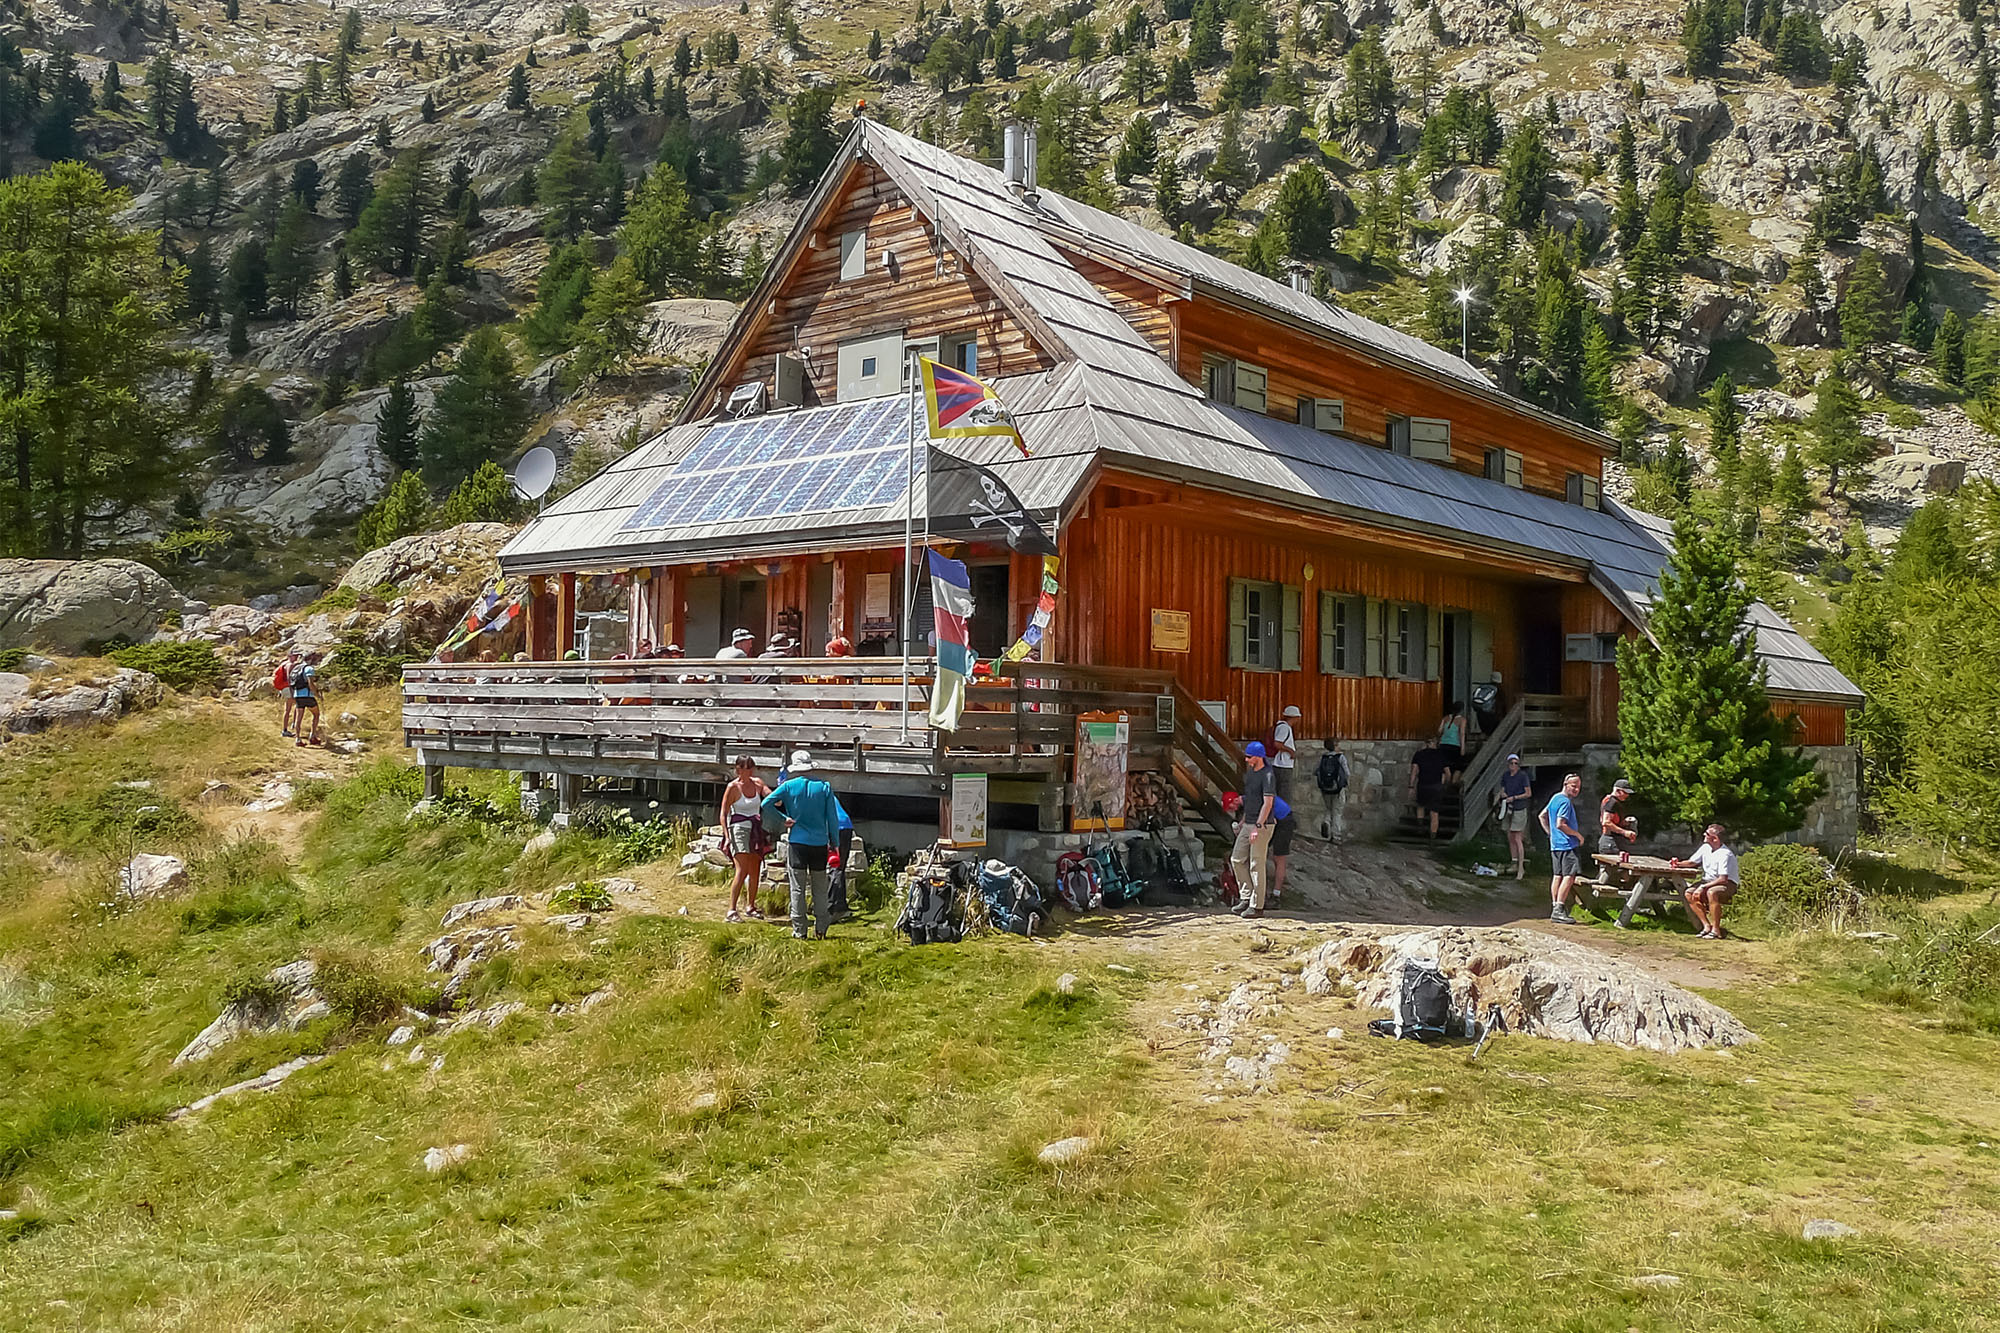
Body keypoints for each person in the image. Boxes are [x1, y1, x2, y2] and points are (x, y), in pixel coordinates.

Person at [761, 749, 841, 940]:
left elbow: (766, 804)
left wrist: (783, 819)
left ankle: (800, 930)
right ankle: (821, 928)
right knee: (820, 887)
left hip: (797, 842)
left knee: (797, 887)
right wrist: (835, 842)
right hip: (819, 843)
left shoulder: (788, 786)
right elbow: (832, 817)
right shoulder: (824, 787)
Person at [1228, 742, 1278, 918]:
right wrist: (1243, 822)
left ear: (1258, 757)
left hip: (1262, 825)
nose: (1247, 760)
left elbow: (1268, 803)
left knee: (1256, 864)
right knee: (1237, 859)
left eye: (1249, 757)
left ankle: (1257, 906)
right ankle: (1246, 897)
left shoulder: (1268, 775)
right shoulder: (1250, 774)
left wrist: (1258, 826)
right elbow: (1251, 800)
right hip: (1248, 822)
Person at [719, 756, 770, 923]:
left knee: (755, 867)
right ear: (738, 769)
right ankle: (731, 910)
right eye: (745, 768)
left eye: (751, 768)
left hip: (755, 827)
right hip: (739, 828)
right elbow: (724, 813)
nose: (748, 772)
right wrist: (726, 836)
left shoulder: (757, 783)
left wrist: (778, 790)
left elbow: (771, 798)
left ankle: (750, 906)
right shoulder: (733, 787)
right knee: (741, 869)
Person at [1672, 824, 1740, 940]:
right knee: (1689, 893)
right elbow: (1692, 862)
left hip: (1727, 883)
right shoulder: (1705, 848)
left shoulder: (1724, 854)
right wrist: (1678, 864)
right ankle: (1706, 926)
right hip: (1708, 881)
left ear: (1715, 839)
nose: (1704, 835)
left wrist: (1703, 887)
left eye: (1707, 834)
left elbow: (1723, 878)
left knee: (1711, 893)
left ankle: (1716, 930)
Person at [1538, 772, 1585, 924]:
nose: (1576, 789)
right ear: (1565, 785)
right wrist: (1577, 835)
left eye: (1578, 787)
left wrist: (1550, 834)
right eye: (1574, 786)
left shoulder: (1554, 798)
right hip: (1567, 845)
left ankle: (1555, 908)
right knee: (1569, 876)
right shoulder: (1565, 802)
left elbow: (1542, 816)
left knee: (1557, 875)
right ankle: (1559, 909)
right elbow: (1561, 824)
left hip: (1555, 845)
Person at [1494, 754, 1533, 880]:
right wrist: (1503, 794)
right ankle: (1514, 862)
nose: (1513, 765)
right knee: (1509, 835)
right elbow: (1503, 789)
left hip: (1519, 808)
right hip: (1508, 807)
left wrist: (1515, 797)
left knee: (1517, 837)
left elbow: (1528, 793)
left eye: (1516, 763)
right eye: (1511, 763)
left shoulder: (1522, 776)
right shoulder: (1506, 775)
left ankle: (1521, 868)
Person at [1595, 778, 1639, 883]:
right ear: (1618, 790)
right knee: (1619, 871)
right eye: (1625, 793)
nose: (1627, 796)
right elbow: (1606, 822)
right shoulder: (1611, 802)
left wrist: (1625, 823)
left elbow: (1613, 821)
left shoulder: (1612, 801)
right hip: (1610, 841)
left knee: (1616, 871)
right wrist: (1625, 832)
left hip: (1612, 840)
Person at [1408, 744, 1451, 839]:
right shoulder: (1441, 755)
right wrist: (1446, 784)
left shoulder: (1419, 754)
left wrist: (1411, 786)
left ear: (1425, 743)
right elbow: (1448, 773)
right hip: (1436, 786)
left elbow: (1414, 771)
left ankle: (1420, 826)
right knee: (1434, 813)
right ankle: (1432, 839)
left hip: (1423, 784)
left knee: (1420, 805)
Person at [1314, 735, 1350, 842]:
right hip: (1338, 788)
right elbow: (1347, 772)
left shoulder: (1323, 758)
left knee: (1328, 808)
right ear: (1335, 746)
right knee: (1337, 811)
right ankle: (1336, 836)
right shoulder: (1341, 757)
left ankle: (1326, 821)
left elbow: (1315, 771)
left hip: (1325, 788)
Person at [290, 651, 323, 747]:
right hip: (307, 695)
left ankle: (298, 739)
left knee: (299, 717)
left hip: (297, 694)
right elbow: (310, 683)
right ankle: (312, 736)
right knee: (316, 714)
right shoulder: (309, 669)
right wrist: (317, 694)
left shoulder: (297, 668)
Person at [1269, 705, 1300, 803]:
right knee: (1285, 794)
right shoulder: (1285, 728)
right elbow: (1277, 744)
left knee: (1280, 793)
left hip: (1280, 764)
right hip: (1283, 765)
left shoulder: (1281, 727)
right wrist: (1290, 751)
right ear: (1294, 717)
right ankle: (1284, 816)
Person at [1437, 702, 1468, 779]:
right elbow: (1462, 734)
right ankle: (1453, 784)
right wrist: (1463, 748)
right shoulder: (1462, 720)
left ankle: (1442, 786)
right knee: (1458, 767)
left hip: (1443, 745)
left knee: (1444, 768)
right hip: (1455, 745)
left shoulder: (1445, 718)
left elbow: (1439, 731)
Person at [275, 650, 300, 737]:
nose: (296, 657)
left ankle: (288, 727)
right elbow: (289, 678)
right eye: (294, 656)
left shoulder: (284, 664)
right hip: (289, 688)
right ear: (290, 656)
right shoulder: (290, 665)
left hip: (285, 688)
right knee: (294, 707)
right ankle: (289, 727)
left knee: (290, 708)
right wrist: (292, 691)